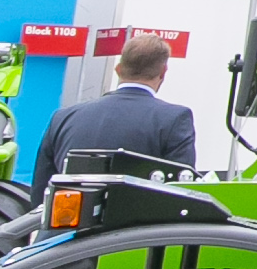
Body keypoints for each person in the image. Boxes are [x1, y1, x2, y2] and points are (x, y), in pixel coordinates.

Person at [30, 31, 197, 190]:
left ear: (118, 69)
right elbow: (181, 187)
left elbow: (40, 191)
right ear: (163, 72)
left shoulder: (63, 117)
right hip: (137, 219)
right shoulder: (175, 119)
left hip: (66, 218)